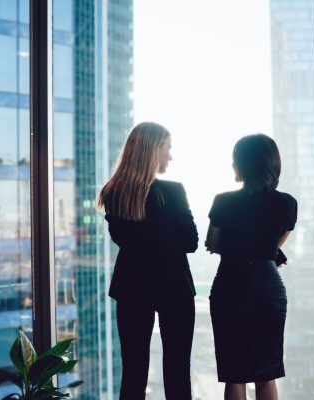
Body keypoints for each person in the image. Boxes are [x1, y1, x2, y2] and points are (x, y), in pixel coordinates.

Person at [97, 122, 198, 400]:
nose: (170, 156)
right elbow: (191, 242)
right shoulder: (173, 190)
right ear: (154, 150)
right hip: (174, 287)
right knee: (177, 372)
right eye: (168, 148)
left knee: (133, 373)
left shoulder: (113, 192)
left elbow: (124, 240)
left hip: (131, 288)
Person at [206, 134, 297, 400]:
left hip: (230, 283)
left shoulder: (223, 201)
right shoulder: (286, 203)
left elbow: (213, 242)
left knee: (235, 374)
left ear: (244, 164)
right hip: (267, 286)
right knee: (266, 373)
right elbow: (274, 246)